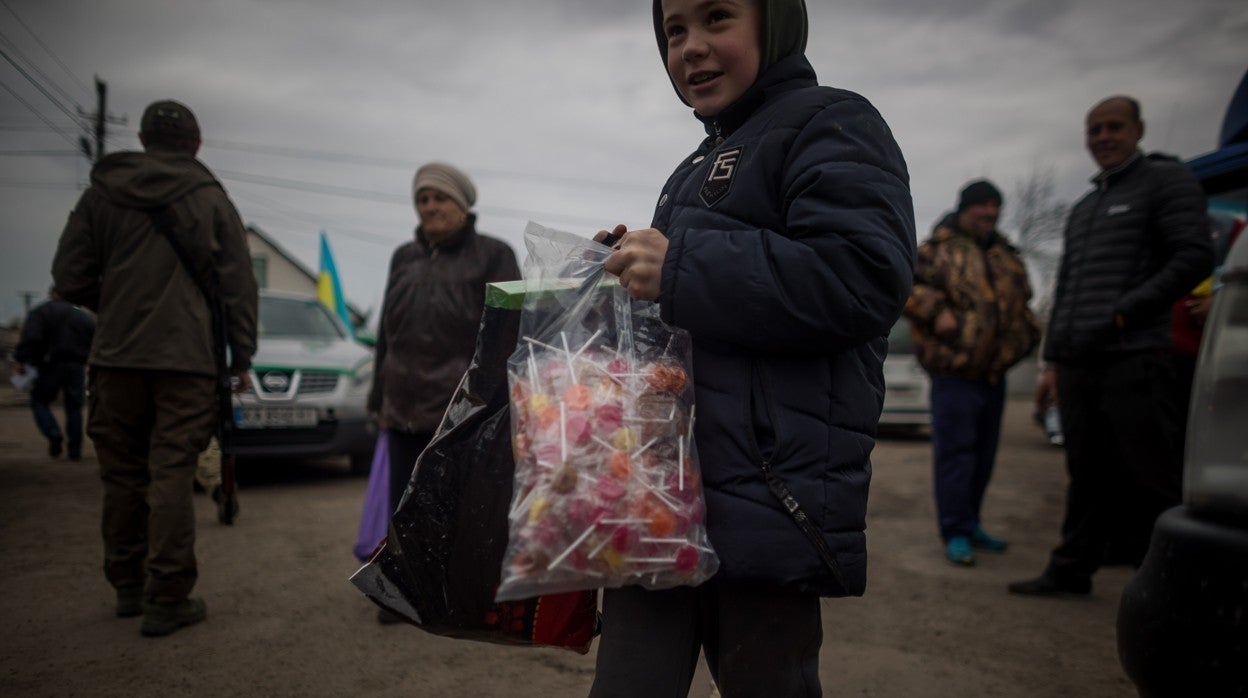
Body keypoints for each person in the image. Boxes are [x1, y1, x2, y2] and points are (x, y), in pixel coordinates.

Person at [588, 0, 915, 694]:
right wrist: (622, 271)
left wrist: (676, 269)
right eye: (674, 30)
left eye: (717, 18)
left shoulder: (832, 122)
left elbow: (862, 278)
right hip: (660, 502)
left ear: (776, 22)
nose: (692, 47)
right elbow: (684, 316)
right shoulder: (690, 168)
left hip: (768, 504)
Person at [51, 99, 258, 635]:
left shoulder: (102, 194)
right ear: (195, 145)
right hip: (187, 363)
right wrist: (243, 357)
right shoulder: (212, 200)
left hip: (114, 359)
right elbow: (239, 287)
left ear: (143, 139)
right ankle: (166, 596)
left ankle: (126, 586)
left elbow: (68, 276)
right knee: (170, 472)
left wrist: (117, 304)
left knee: (121, 475)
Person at [1009, 96, 1213, 596]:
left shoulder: (1165, 182)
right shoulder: (1083, 208)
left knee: (1150, 474)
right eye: (1094, 129)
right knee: (1086, 471)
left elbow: (1194, 255)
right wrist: (1053, 361)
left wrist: (1127, 310)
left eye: (1114, 127)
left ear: (1138, 130)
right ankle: (1072, 568)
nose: (1103, 137)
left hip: (1136, 354)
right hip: (1079, 360)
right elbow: (1071, 286)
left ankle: (1173, 581)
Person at [367, 161, 520, 623]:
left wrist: (493, 403)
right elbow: (385, 334)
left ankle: (456, 598)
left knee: (457, 509)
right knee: (402, 505)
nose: (430, 207)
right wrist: (377, 398)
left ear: (463, 205)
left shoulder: (494, 254)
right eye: (422, 199)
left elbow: (508, 332)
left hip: (460, 408)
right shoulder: (403, 258)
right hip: (402, 405)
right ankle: (401, 593)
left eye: (440, 198)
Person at [903, 180, 1040, 566]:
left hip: (994, 373)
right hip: (954, 374)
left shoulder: (1005, 254)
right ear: (965, 208)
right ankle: (955, 531)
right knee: (956, 456)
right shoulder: (936, 251)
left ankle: (972, 521)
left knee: (983, 457)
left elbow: (1023, 299)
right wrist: (936, 311)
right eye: (982, 206)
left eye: (996, 206)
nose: (990, 213)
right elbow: (904, 285)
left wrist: (1025, 335)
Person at [11, 288, 95, 460]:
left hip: (49, 365)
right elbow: (94, 340)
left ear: (52, 294)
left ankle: (52, 432)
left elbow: (31, 339)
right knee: (74, 408)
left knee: (39, 401)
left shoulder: (42, 312)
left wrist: (23, 359)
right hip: (76, 365)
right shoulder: (81, 316)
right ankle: (74, 451)